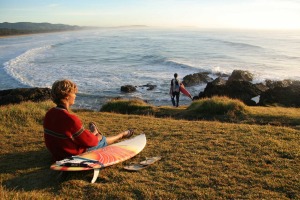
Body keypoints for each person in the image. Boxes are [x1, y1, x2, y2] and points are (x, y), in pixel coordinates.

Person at [43, 79, 134, 161]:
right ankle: (122, 135)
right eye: (74, 93)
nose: (75, 96)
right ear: (67, 96)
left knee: (91, 136)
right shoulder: (70, 119)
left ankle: (94, 131)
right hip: (70, 156)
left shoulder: (49, 113)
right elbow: (91, 142)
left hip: (57, 154)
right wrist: (97, 136)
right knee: (101, 139)